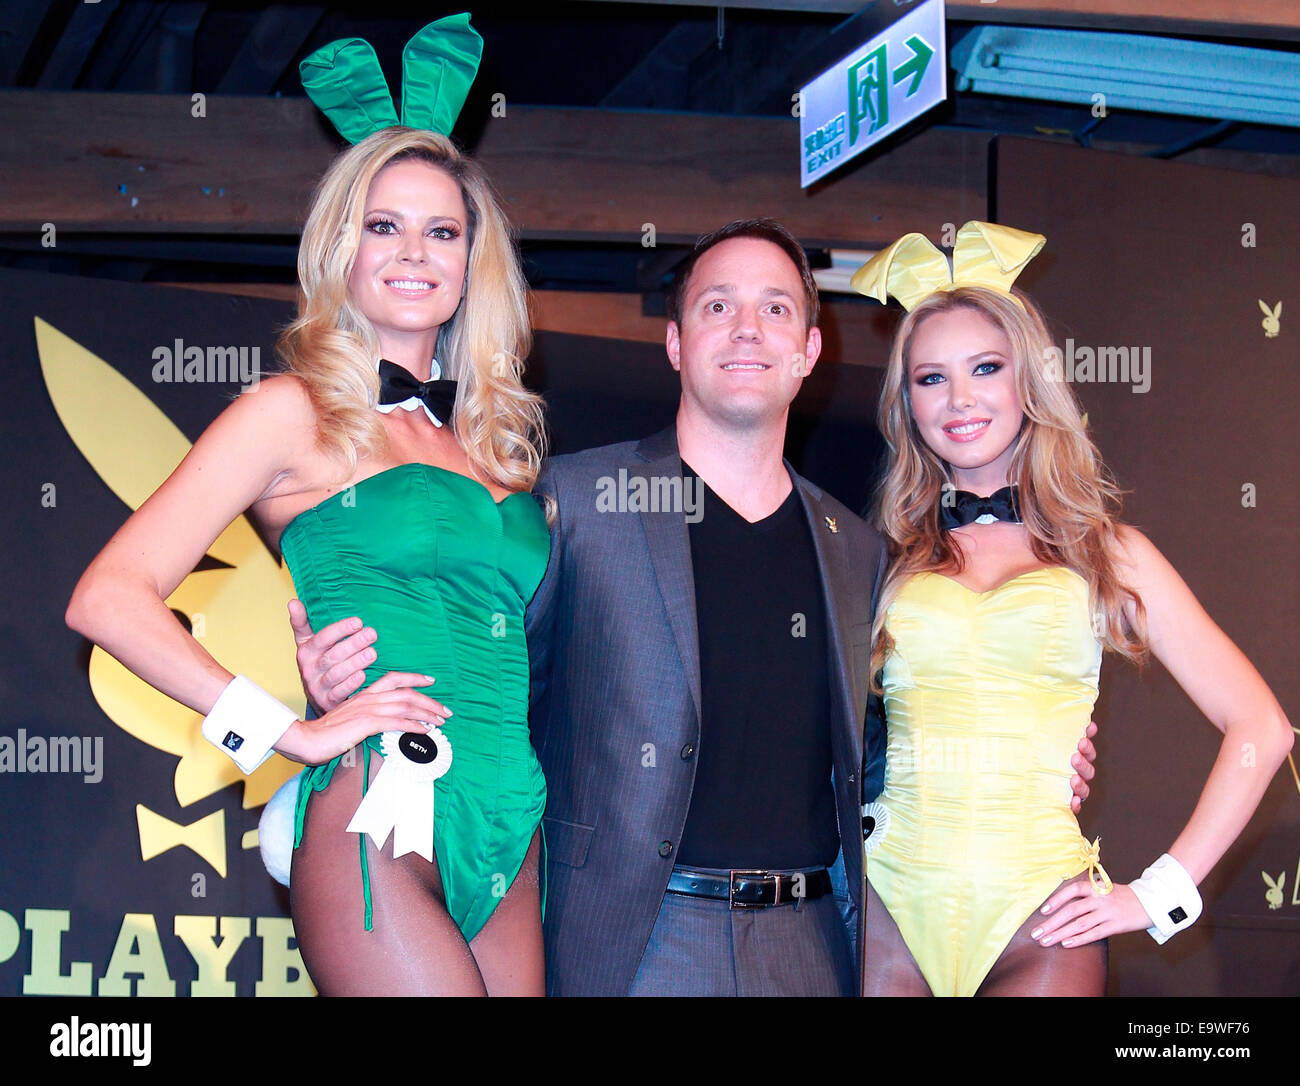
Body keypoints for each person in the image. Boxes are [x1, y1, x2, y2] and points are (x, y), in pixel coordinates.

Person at [293, 217, 1099, 996]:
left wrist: (1009, 748)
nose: (747, 329)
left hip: (813, 944)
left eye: (776, 308)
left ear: (809, 351)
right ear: (676, 342)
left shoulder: (859, 549)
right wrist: (337, 688)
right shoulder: (575, 501)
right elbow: (486, 674)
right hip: (632, 944)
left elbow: (872, 749)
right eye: (718, 306)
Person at [66, 18, 552, 995]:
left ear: (470, 263)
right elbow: (106, 597)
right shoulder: (290, 410)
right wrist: (285, 731)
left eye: (442, 230)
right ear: (341, 248)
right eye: (384, 225)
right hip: (382, 804)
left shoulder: (497, 450)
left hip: (510, 816)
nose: (414, 251)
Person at [853, 221, 1293, 997]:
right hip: (885, 900)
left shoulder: (1108, 553)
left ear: (1029, 381)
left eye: (985, 368)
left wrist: (1156, 894)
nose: (959, 399)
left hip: (1041, 914)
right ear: (906, 403)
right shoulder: (876, 560)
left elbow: (1261, 726)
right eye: (930, 378)